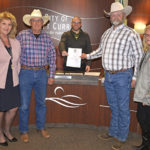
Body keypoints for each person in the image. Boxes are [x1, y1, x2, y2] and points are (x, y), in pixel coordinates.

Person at [81, 2, 143, 150]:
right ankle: (113, 132)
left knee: (122, 107)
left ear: (123, 16)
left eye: (118, 14)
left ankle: (121, 137)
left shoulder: (131, 33)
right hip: (108, 76)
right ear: (110, 17)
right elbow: (100, 51)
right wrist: (86, 55)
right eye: (113, 14)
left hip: (123, 75)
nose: (115, 16)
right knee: (114, 106)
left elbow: (139, 57)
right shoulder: (106, 33)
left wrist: (135, 77)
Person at [16, 9, 56, 143]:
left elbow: (52, 57)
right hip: (25, 73)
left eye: (39, 20)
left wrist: (51, 75)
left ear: (42, 23)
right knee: (24, 105)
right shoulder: (21, 36)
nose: (37, 23)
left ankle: (41, 127)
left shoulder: (47, 38)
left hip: (41, 73)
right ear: (30, 22)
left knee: (41, 103)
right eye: (34, 20)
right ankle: (24, 130)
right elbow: (15, 56)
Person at [0, 11, 21, 146]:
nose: (7, 27)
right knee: (1, 109)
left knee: (13, 108)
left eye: (9, 24)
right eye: (3, 23)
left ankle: (7, 130)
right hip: (0, 80)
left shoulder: (15, 42)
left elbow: (17, 62)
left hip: (13, 80)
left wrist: (16, 75)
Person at [133, 25, 150, 150]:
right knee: (142, 120)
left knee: (146, 122)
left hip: (147, 97)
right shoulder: (147, 51)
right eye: (147, 35)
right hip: (142, 94)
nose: (148, 37)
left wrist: (147, 98)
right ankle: (145, 145)